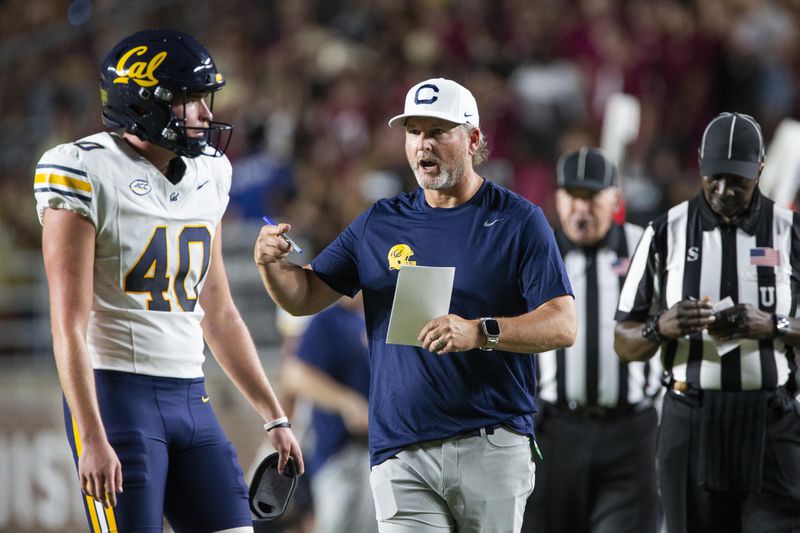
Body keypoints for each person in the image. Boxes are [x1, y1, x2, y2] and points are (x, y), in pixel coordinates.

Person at [254, 77, 577, 533]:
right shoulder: (380, 222)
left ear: (473, 139)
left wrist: (479, 331)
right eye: (413, 131)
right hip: (401, 453)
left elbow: (563, 324)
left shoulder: (518, 219)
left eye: (437, 131)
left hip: (490, 444)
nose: (422, 144)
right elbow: (305, 296)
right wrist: (271, 265)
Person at [34, 29, 303, 532]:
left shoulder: (211, 173)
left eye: (204, 99)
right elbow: (67, 323)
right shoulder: (81, 169)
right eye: (188, 100)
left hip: (191, 397)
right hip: (116, 398)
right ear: (142, 103)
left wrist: (274, 414)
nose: (203, 113)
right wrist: (91, 434)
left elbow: (217, 309)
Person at [614, 112, 800, 533]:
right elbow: (623, 340)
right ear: (699, 162)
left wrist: (773, 325)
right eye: (714, 177)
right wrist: (660, 327)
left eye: (739, 180)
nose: (724, 190)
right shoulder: (665, 232)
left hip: (770, 419)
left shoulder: (789, 231)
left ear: (761, 170)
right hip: (691, 417)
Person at [522, 148, 660, 533]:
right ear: (558, 198)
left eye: (591, 197)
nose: (580, 208)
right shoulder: (537, 252)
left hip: (631, 432)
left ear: (615, 199)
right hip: (554, 429)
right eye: (572, 196)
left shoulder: (646, 248)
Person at [281, 293, 376, 533]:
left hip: (381, 453)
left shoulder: (379, 321)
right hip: (342, 452)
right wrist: (347, 402)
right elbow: (294, 374)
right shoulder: (330, 320)